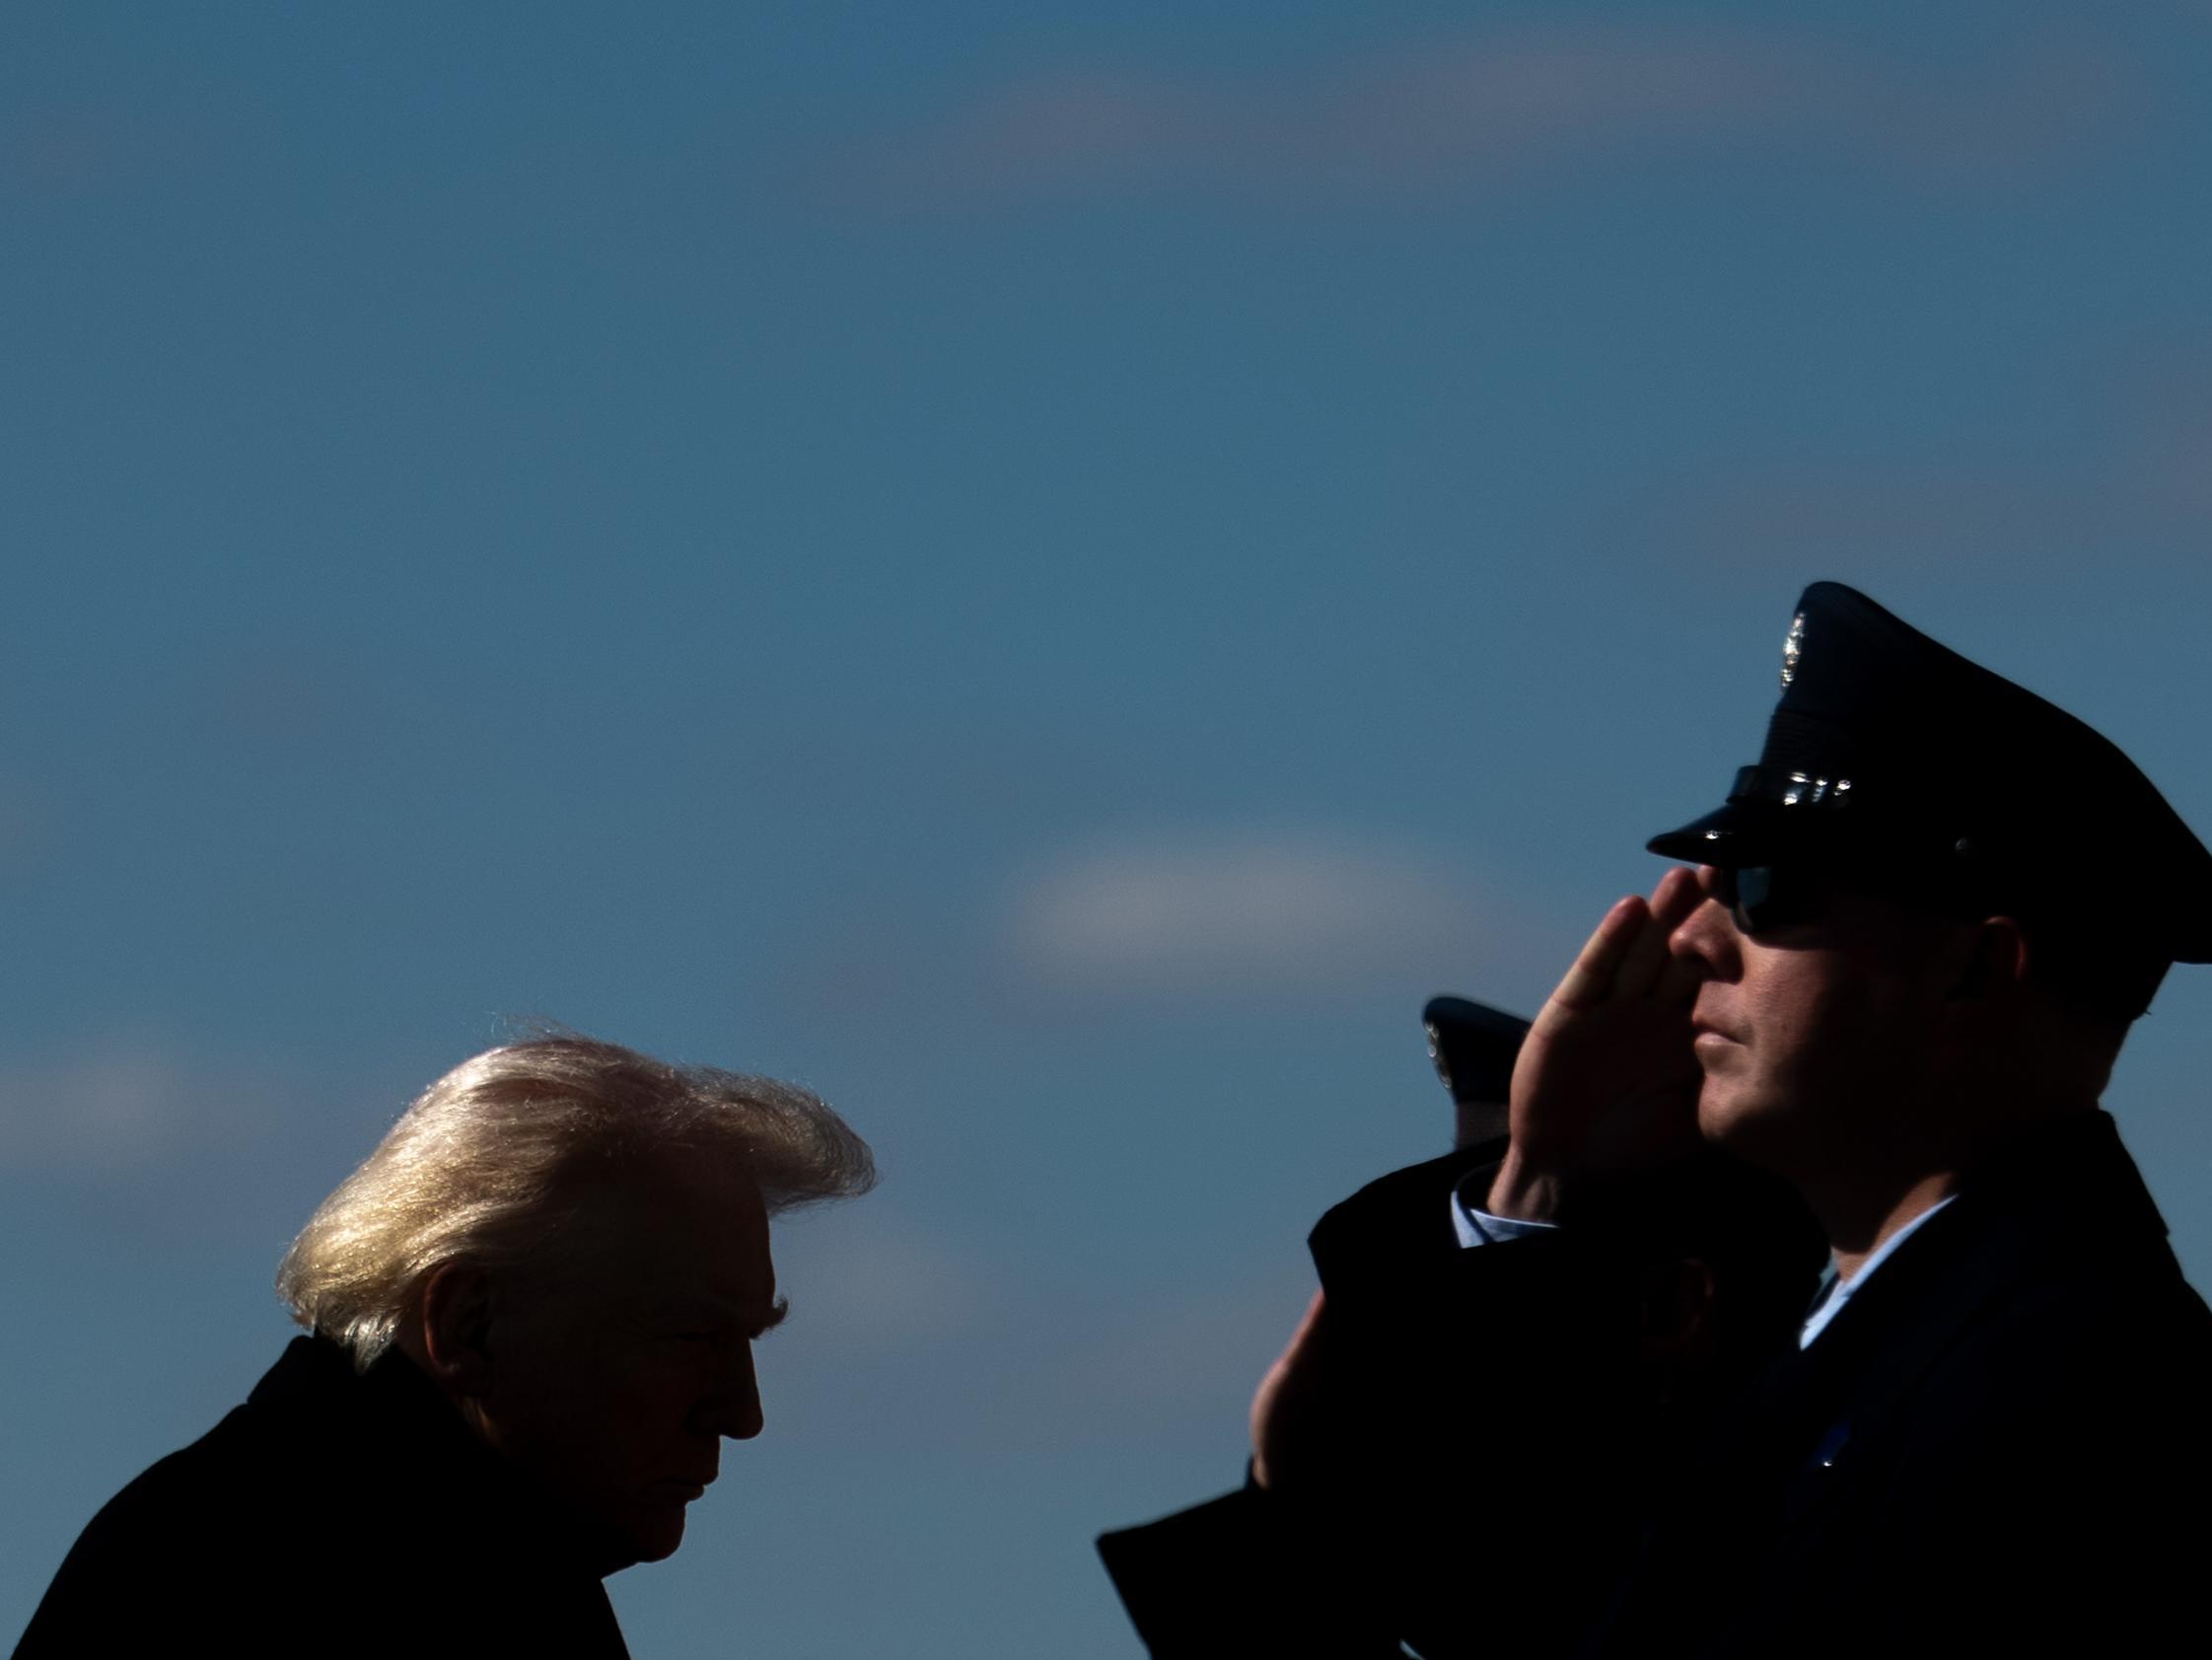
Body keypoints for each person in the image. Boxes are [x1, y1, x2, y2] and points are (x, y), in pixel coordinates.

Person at [1104, 582, 2212, 1656]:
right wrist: (1544, 1181)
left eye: (1767, 888)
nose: (1692, 938)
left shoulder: (2073, 1399)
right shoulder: (1891, 1364)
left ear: (1971, 973)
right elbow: (1507, 1620)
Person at [12, 1033, 875, 1660]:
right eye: (690, 1335)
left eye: (744, 1338)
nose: (741, 1412)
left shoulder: (419, 1556)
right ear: (467, 1324)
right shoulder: (284, 1581)